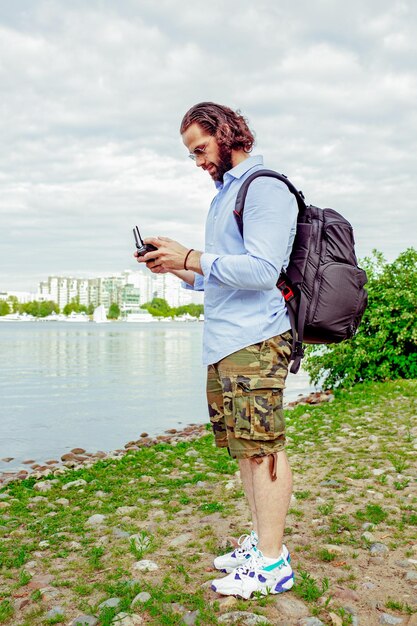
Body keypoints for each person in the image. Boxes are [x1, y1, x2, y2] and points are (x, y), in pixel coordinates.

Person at [135, 102, 297, 599]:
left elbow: (262, 271)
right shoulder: (225, 195)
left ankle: (272, 563)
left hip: (257, 338)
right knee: (246, 451)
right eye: (191, 155)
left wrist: (191, 254)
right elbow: (220, 277)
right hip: (227, 340)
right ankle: (262, 544)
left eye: (201, 149)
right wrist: (176, 267)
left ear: (229, 134)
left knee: (263, 447)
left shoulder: (264, 186)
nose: (199, 162)